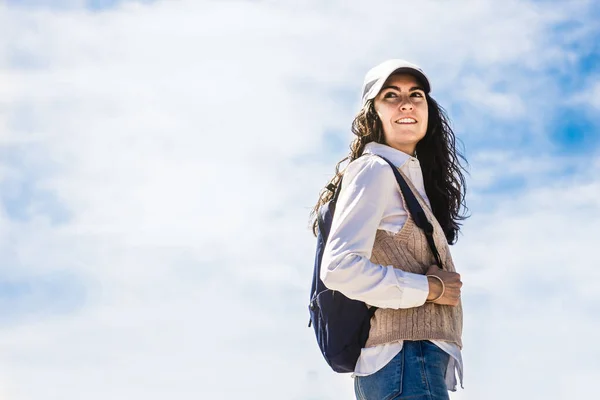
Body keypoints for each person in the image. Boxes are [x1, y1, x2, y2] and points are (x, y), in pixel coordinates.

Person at [310, 59, 468, 400]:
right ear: (373, 113)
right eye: (391, 96)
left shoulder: (407, 179)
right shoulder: (374, 170)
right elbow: (339, 268)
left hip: (411, 365)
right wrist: (429, 289)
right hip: (405, 362)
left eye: (416, 94)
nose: (406, 103)